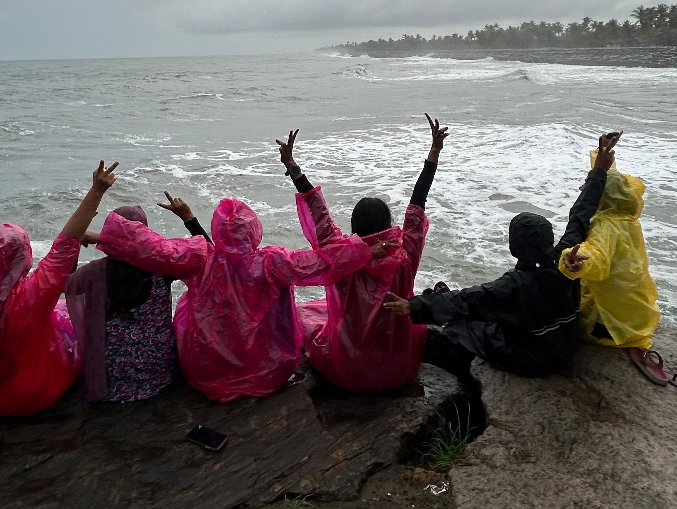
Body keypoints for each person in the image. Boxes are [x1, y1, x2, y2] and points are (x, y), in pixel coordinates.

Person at [92, 194, 394, 402]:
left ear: (216, 231)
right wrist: (364, 250)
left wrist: (100, 236)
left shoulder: (199, 257)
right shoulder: (272, 263)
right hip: (265, 372)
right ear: (254, 229)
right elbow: (319, 262)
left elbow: (152, 247)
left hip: (205, 372)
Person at [384, 132, 621, 379]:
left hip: (532, 359)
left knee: (463, 326)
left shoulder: (512, 287)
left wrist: (411, 306)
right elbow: (580, 216)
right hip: (563, 346)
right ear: (550, 240)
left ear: (513, 248)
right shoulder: (567, 261)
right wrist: (599, 170)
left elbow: (467, 300)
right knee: (487, 311)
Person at [0, 160, 118, 416]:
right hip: (32, 396)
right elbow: (65, 246)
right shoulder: (29, 297)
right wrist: (96, 191)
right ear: (22, 261)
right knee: (65, 315)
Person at [276, 113, 447, 391]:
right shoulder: (405, 255)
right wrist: (434, 153)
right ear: (389, 225)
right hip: (399, 366)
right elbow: (418, 203)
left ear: (354, 227)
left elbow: (318, 211)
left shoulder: (340, 256)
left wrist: (293, 167)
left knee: (309, 322)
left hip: (348, 369)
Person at [65, 197, 210, 403]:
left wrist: (75, 241)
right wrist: (188, 218)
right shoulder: (163, 268)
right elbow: (209, 255)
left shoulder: (94, 272)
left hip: (113, 379)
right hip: (159, 374)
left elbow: (64, 282)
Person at [559, 151, 664, 384]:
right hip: (637, 317)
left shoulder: (604, 226)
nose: (582, 188)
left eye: (589, 186)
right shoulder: (627, 220)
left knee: (557, 319)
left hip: (612, 326)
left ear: (603, 196)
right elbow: (612, 180)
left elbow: (597, 255)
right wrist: (602, 159)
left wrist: (572, 261)